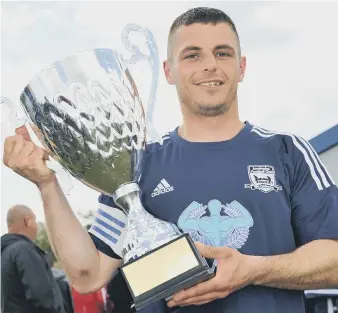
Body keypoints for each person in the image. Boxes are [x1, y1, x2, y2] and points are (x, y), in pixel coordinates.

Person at [3, 6, 338, 313]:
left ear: (241, 67)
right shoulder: (136, 164)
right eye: (192, 55)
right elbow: (87, 275)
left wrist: (254, 271)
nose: (210, 65)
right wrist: (46, 183)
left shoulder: (287, 151)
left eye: (223, 53)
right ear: (167, 71)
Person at [1, 205, 66, 313]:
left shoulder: (5, 253)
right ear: (28, 221)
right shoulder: (24, 250)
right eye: (35, 221)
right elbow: (42, 298)